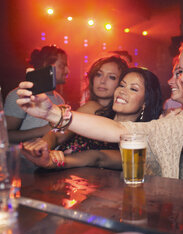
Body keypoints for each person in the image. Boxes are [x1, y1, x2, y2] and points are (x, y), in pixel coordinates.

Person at [16, 37, 183, 186]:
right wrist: (53, 113)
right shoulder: (177, 123)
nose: (182, 77)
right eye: (180, 71)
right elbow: (118, 130)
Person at [22, 67, 163, 171]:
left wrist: (54, 161)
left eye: (133, 89)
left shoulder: (135, 141)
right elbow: (57, 135)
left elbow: (98, 157)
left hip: (79, 191)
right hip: (44, 175)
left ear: (146, 102)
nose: (122, 91)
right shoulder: (93, 110)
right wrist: (42, 148)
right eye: (121, 85)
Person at [42, 55, 129, 150]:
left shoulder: (122, 116)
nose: (102, 81)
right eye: (98, 74)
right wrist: (43, 147)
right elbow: (57, 135)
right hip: (64, 161)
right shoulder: (92, 107)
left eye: (112, 77)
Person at [4, 45, 69, 144]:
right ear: (46, 65)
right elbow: (5, 136)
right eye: (62, 66)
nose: (67, 71)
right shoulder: (21, 95)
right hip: (22, 159)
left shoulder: (60, 99)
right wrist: (44, 130)